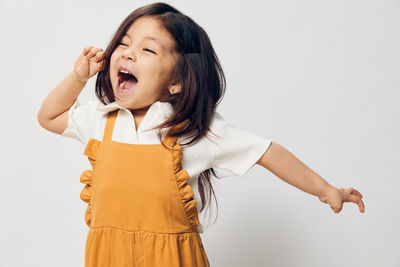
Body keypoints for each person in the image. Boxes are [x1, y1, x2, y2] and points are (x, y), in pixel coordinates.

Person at [37, 2, 365, 266]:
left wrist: (325, 188)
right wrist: (78, 78)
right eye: (124, 44)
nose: (128, 53)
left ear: (176, 81)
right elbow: (49, 116)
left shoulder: (194, 130)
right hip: (108, 257)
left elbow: (267, 152)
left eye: (148, 51)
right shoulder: (100, 119)